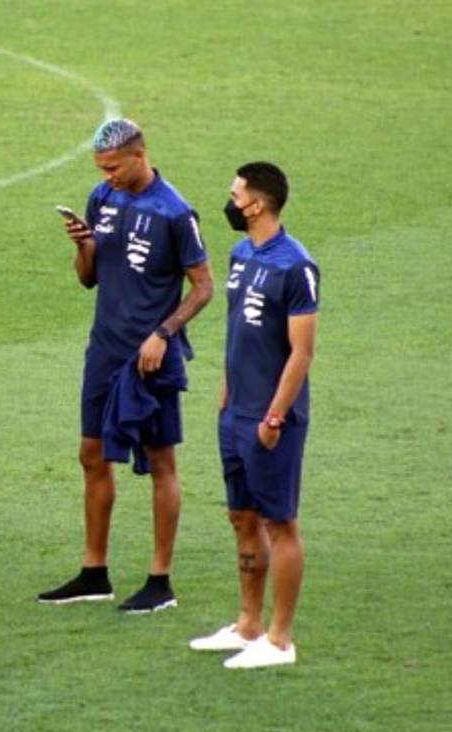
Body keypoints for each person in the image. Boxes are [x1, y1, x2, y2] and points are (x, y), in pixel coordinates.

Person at [38, 117, 214, 612]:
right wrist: (83, 245)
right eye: (101, 168)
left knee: (161, 462)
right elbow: (88, 279)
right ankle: (94, 572)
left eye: (114, 166)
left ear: (140, 155)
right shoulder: (103, 198)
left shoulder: (176, 213)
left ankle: (160, 581)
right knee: (92, 455)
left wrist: (163, 334)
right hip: (105, 350)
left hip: (149, 356)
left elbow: (204, 287)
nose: (107, 175)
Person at [189, 161, 319, 668]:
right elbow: (238, 331)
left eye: (235, 192)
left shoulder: (296, 266)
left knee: (279, 523)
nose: (230, 198)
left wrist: (274, 417)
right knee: (241, 516)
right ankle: (249, 625)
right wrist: (226, 390)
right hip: (235, 412)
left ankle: (280, 640)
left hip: (270, 420)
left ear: (257, 203)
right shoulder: (242, 253)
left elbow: (301, 353)